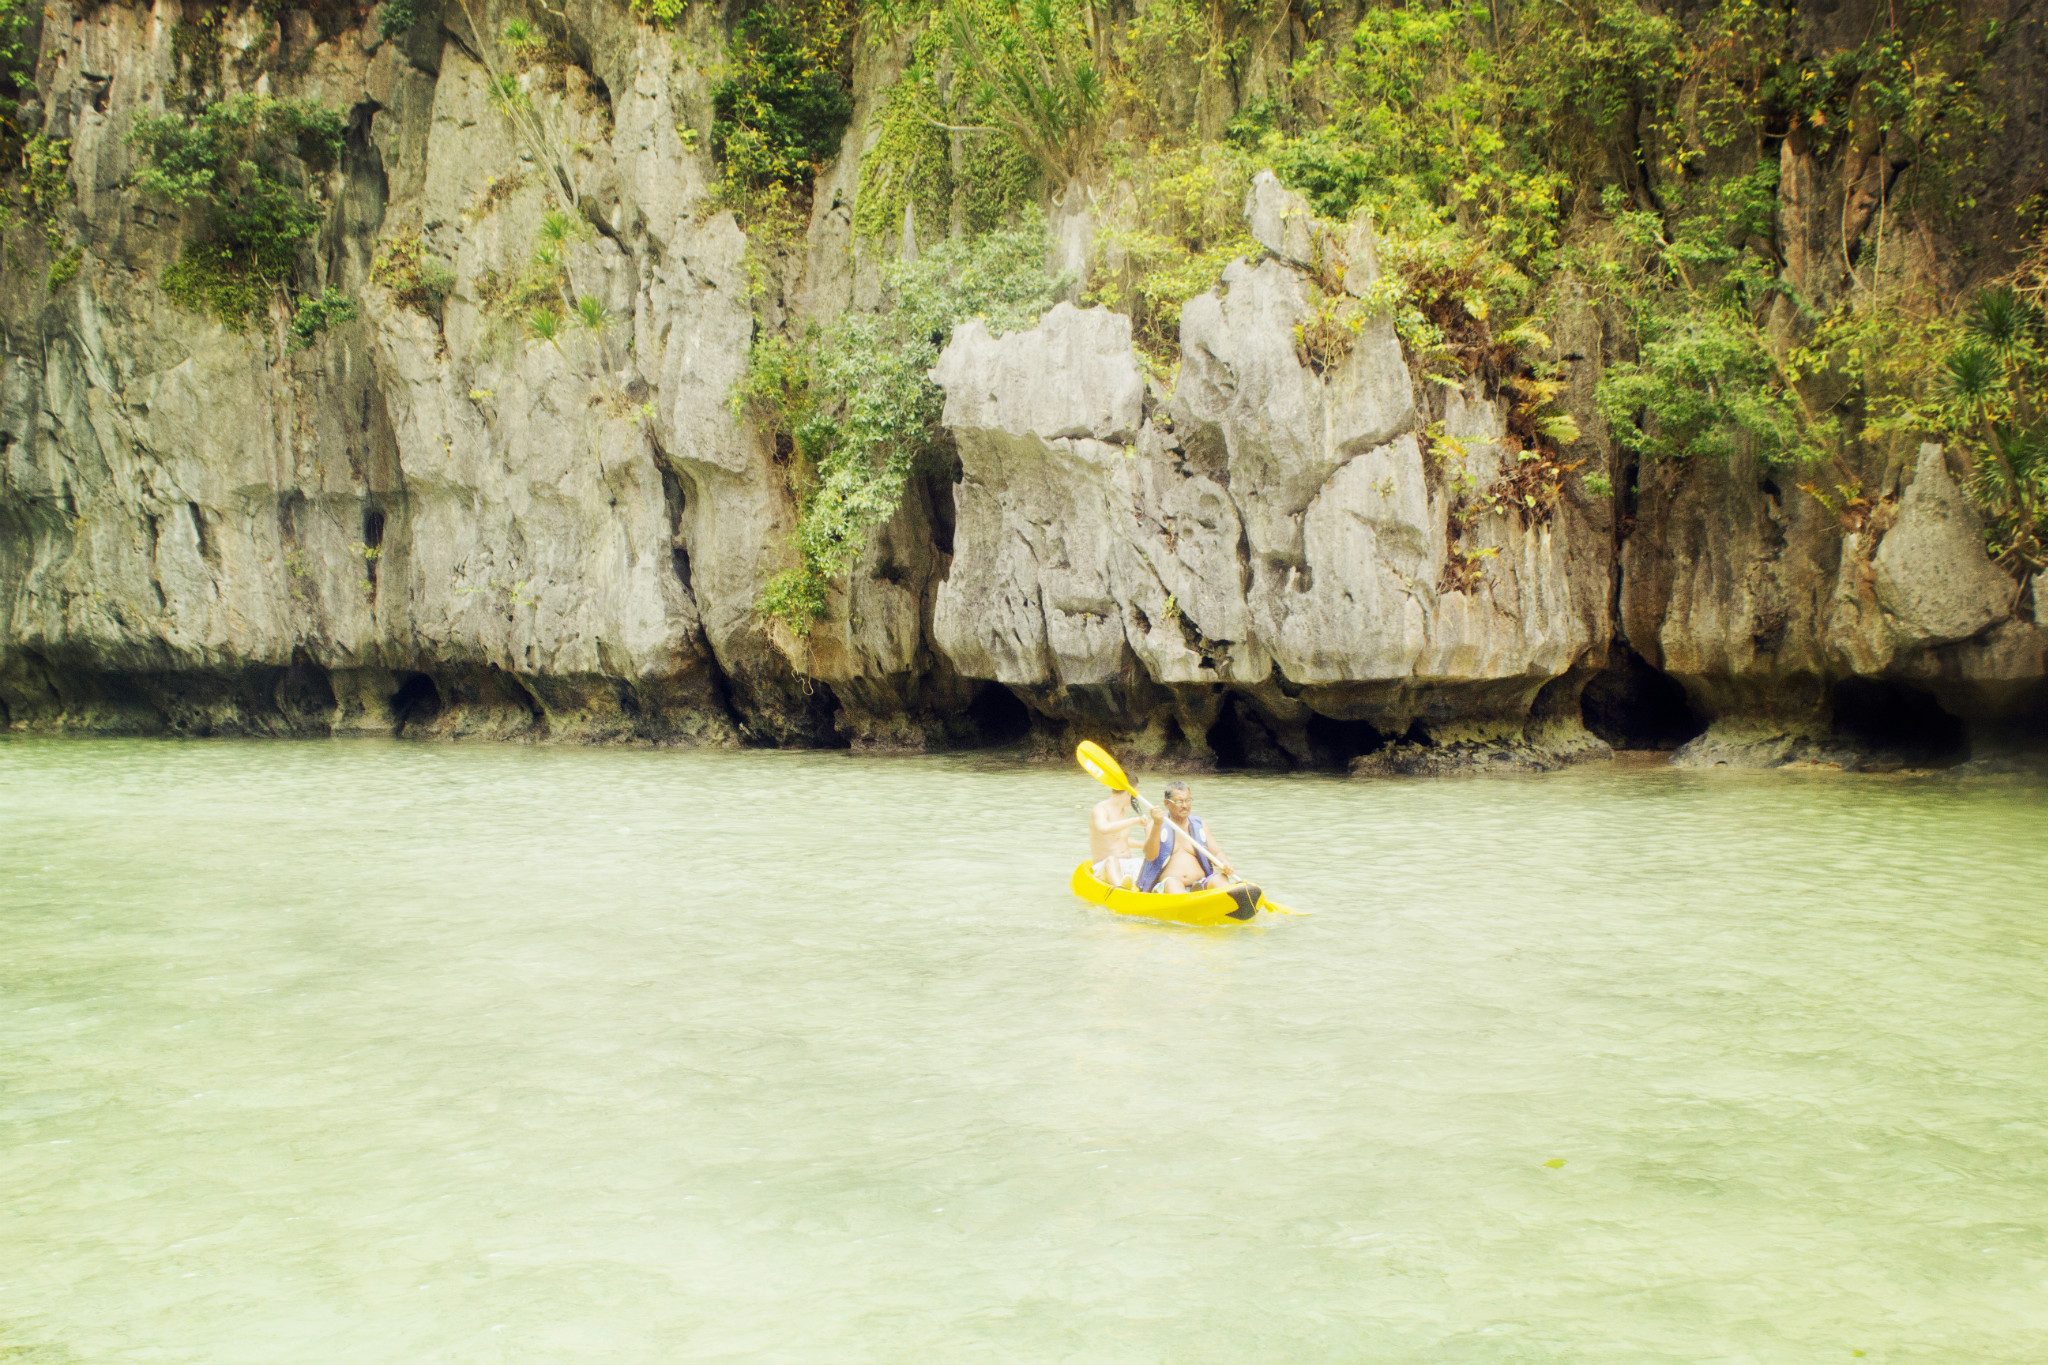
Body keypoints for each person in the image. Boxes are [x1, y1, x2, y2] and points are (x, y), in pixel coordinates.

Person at [1138, 780, 1235, 894]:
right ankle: (1187, 903)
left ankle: (1231, 901)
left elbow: (1217, 852)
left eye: (1188, 800)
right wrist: (1157, 824)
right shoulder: (1155, 824)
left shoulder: (1200, 824)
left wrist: (1225, 863)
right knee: (1173, 885)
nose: (1185, 806)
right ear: (1167, 803)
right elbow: (1150, 856)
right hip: (1169, 884)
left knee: (1221, 879)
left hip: (1200, 883)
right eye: (1179, 802)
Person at [1089, 790, 1147, 887]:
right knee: (1111, 860)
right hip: (1105, 866)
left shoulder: (1124, 810)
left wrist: (1144, 845)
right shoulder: (1100, 809)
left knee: (1147, 863)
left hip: (1127, 863)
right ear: (1129, 793)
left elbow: (1121, 840)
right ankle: (1121, 889)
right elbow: (1104, 828)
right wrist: (1135, 820)